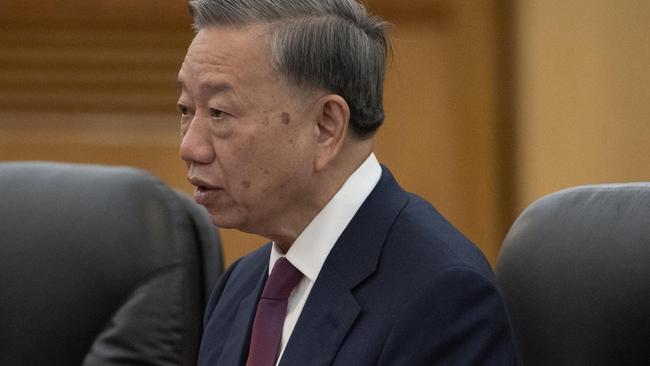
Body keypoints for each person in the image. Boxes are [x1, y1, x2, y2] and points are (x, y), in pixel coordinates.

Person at [177, 0, 519, 365]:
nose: (189, 147)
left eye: (219, 113)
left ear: (326, 126)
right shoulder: (239, 286)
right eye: (185, 109)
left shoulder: (443, 297)